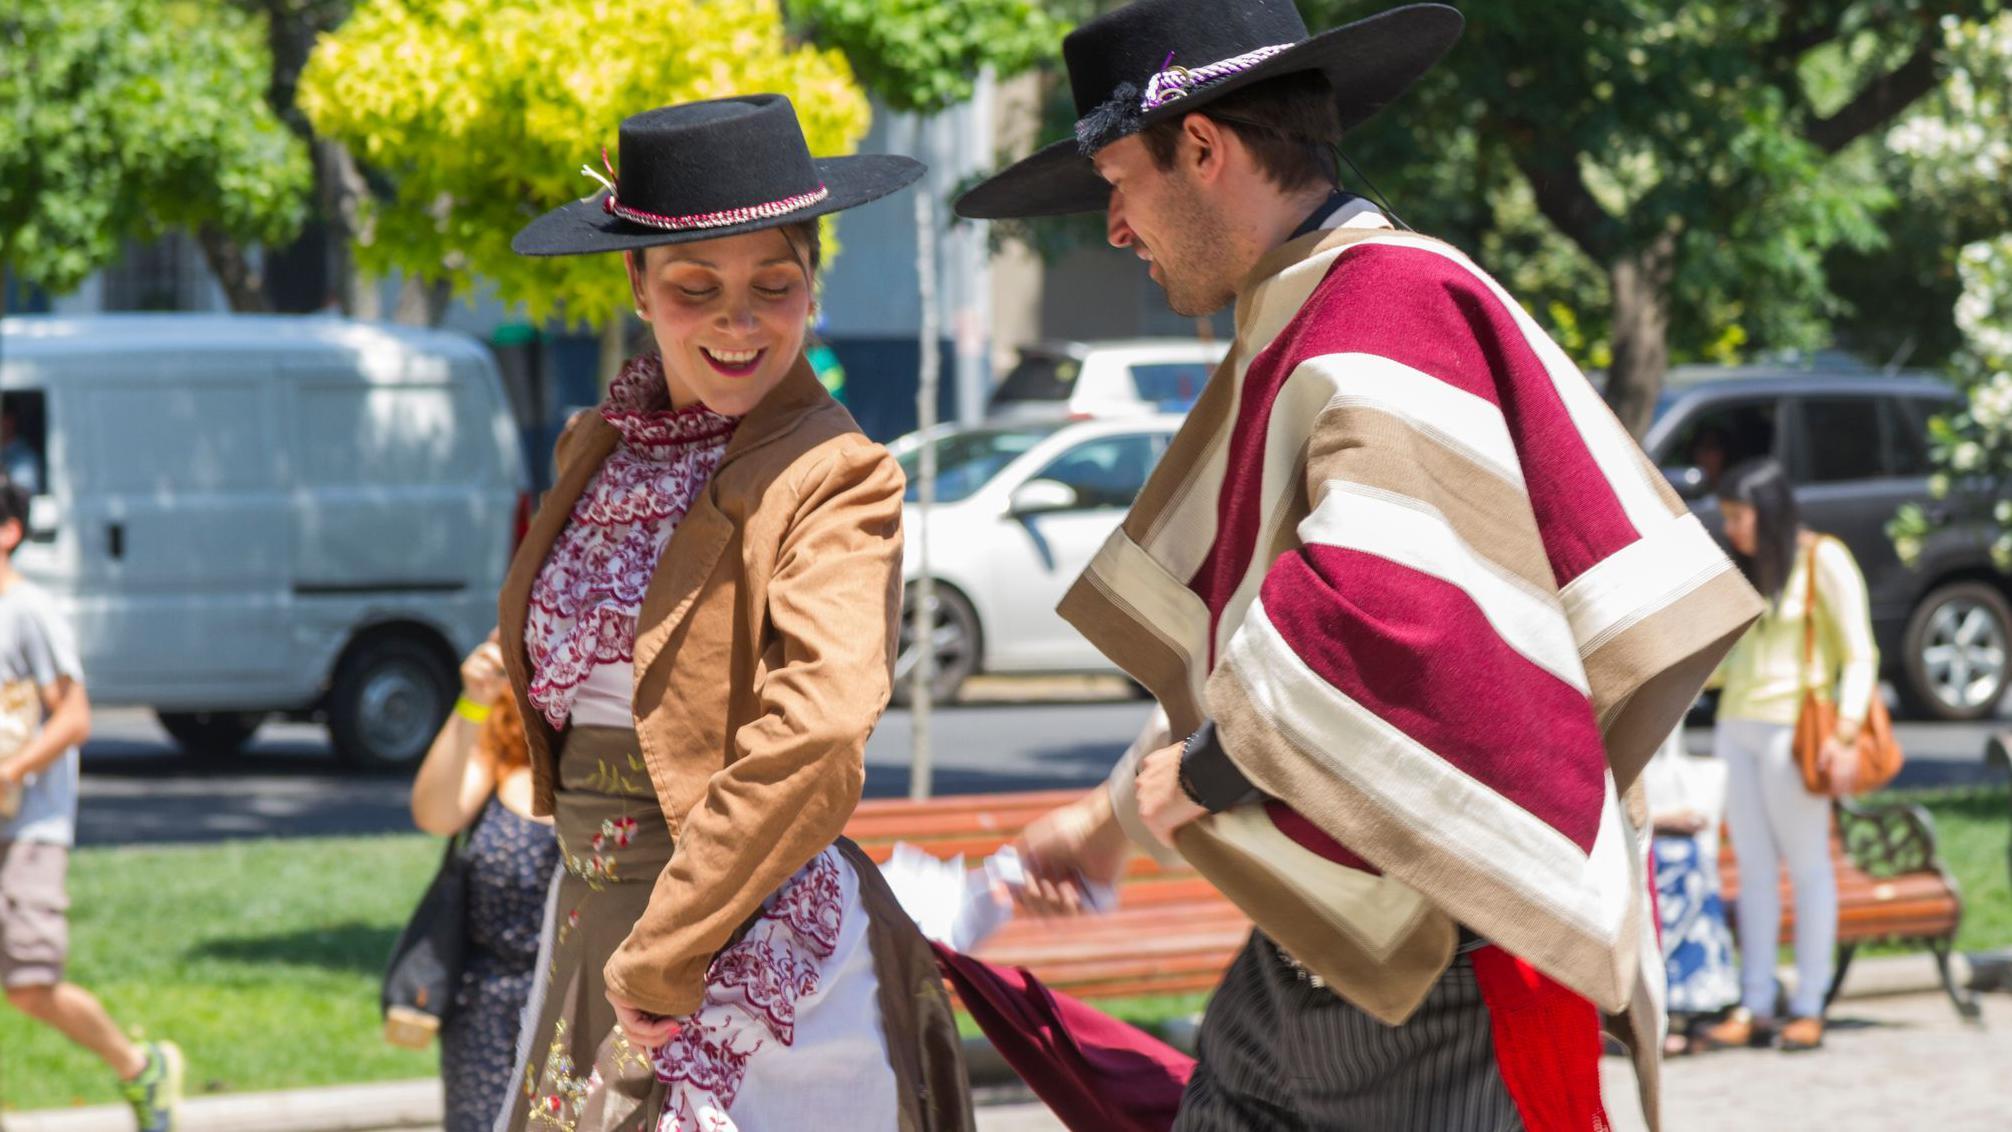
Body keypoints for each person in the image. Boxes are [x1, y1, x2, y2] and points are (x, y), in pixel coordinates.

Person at [954, 2, 1765, 1128]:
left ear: (1202, 148)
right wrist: (1099, 828)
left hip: (1449, 978)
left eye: (1117, 181)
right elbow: (1276, 660)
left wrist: (1185, 783)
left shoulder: (1382, 305)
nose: (1113, 227)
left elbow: (1376, 630)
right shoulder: (1322, 307)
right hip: (1332, 958)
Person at [492, 95, 970, 1131]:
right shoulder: (594, 445)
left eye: (775, 285)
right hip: (590, 915)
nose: (736, 321)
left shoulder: (833, 472)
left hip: (740, 938)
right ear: (636, 282)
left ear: (813, 283)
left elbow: (823, 724)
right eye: (694, 286)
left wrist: (668, 947)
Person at [0, 476, 182, 1131]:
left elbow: (74, 719)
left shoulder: (28, 612)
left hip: (29, 828)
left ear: (9, 532)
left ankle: (139, 1066)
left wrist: (11, 770)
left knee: (28, 984)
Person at [1699, 458, 1875, 1054]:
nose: (1732, 529)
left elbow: (1861, 654)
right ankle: (1755, 1002)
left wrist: (1845, 732)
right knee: (1750, 868)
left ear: (1768, 511)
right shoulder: (1747, 568)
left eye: (1738, 516)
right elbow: (1730, 661)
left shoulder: (1823, 559)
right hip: (1737, 727)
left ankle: (1808, 1004)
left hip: (1795, 730)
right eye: (1726, 518)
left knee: (1807, 867)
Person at [409, 631, 559, 1132]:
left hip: (585, 1003)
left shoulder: (619, 762)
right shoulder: (500, 754)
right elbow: (435, 814)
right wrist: (474, 700)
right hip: (489, 1009)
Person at [1638, 729, 1738, 1055]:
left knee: (1691, 869)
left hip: (1665, 849)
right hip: (1639, 846)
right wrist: (1662, 817)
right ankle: (1664, 1011)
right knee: (1674, 873)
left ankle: (1684, 1010)